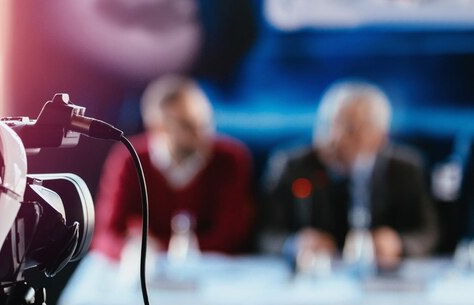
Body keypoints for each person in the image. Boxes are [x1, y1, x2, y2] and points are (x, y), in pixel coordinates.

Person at [259, 81, 439, 269]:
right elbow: (265, 235)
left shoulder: (405, 170)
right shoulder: (292, 165)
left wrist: (398, 244)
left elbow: (429, 233)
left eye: (351, 129)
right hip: (313, 280)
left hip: (380, 281)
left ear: (380, 137)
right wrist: (293, 244)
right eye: (329, 124)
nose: (335, 137)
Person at [92, 75, 255, 260]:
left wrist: (162, 248)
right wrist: (131, 251)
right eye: (187, 125)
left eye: (205, 121)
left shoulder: (230, 158)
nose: (202, 132)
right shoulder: (129, 159)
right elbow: (105, 234)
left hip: (213, 274)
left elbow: (233, 235)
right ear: (158, 127)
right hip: (146, 271)